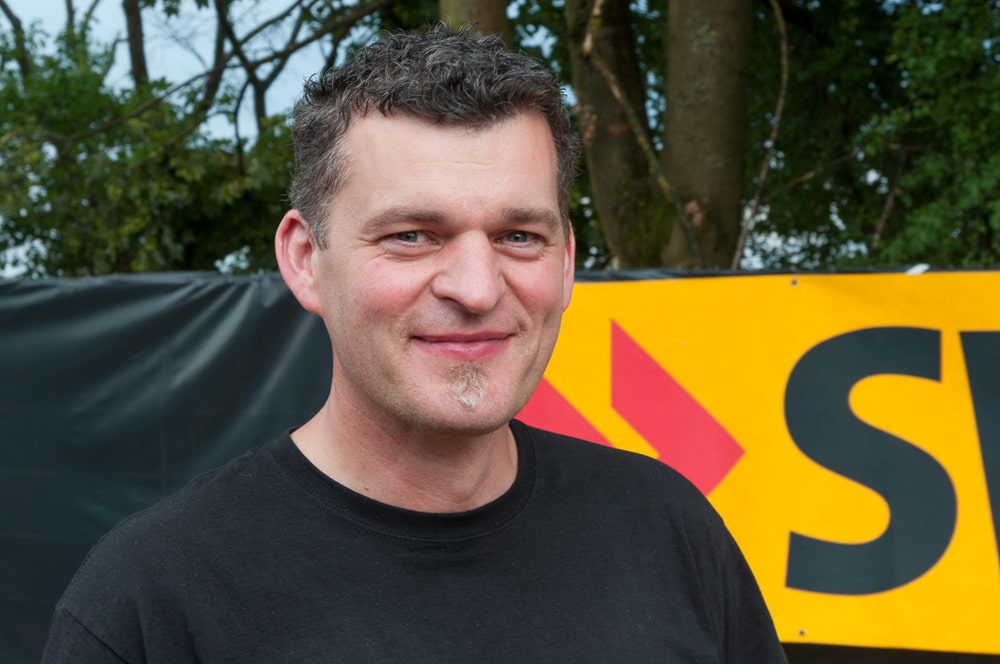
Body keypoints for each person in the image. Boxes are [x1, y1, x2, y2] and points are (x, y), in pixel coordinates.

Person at [42, 25, 786, 662]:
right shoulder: (152, 599)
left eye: (518, 236)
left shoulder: (668, 530)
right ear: (304, 258)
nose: (477, 288)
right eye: (411, 235)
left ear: (565, 263)